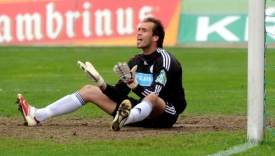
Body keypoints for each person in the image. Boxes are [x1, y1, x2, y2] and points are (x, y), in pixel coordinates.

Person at [16, 16, 187, 131]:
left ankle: (124, 119)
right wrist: (101, 82)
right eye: (138, 29)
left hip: (165, 114)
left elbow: (154, 95)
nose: (138, 33)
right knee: (89, 90)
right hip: (138, 114)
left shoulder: (165, 60)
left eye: (144, 30)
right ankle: (37, 115)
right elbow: (119, 94)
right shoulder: (135, 61)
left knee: (151, 99)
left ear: (156, 37)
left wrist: (134, 85)